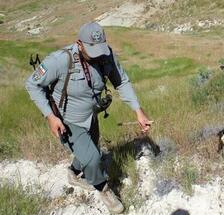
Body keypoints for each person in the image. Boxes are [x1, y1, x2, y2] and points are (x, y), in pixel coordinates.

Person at [25, 22, 151, 214]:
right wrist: (50, 116)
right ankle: (103, 189)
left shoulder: (106, 56)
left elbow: (121, 81)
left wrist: (138, 110)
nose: (98, 54)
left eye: (99, 49)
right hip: (67, 120)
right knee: (93, 159)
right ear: (79, 44)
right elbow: (32, 85)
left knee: (92, 148)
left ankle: (73, 173)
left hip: (91, 116)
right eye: (92, 49)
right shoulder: (60, 60)